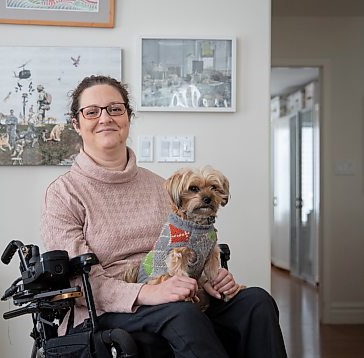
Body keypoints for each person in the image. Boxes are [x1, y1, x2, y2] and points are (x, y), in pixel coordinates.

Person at [40, 75, 287, 358]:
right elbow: (79, 284)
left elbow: (188, 244)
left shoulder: (161, 186)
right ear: (76, 123)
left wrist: (210, 278)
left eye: (115, 109)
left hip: (177, 293)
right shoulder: (63, 194)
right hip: (109, 310)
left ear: (128, 118)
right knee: (181, 314)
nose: (105, 118)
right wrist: (148, 293)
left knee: (256, 301)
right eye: (92, 111)